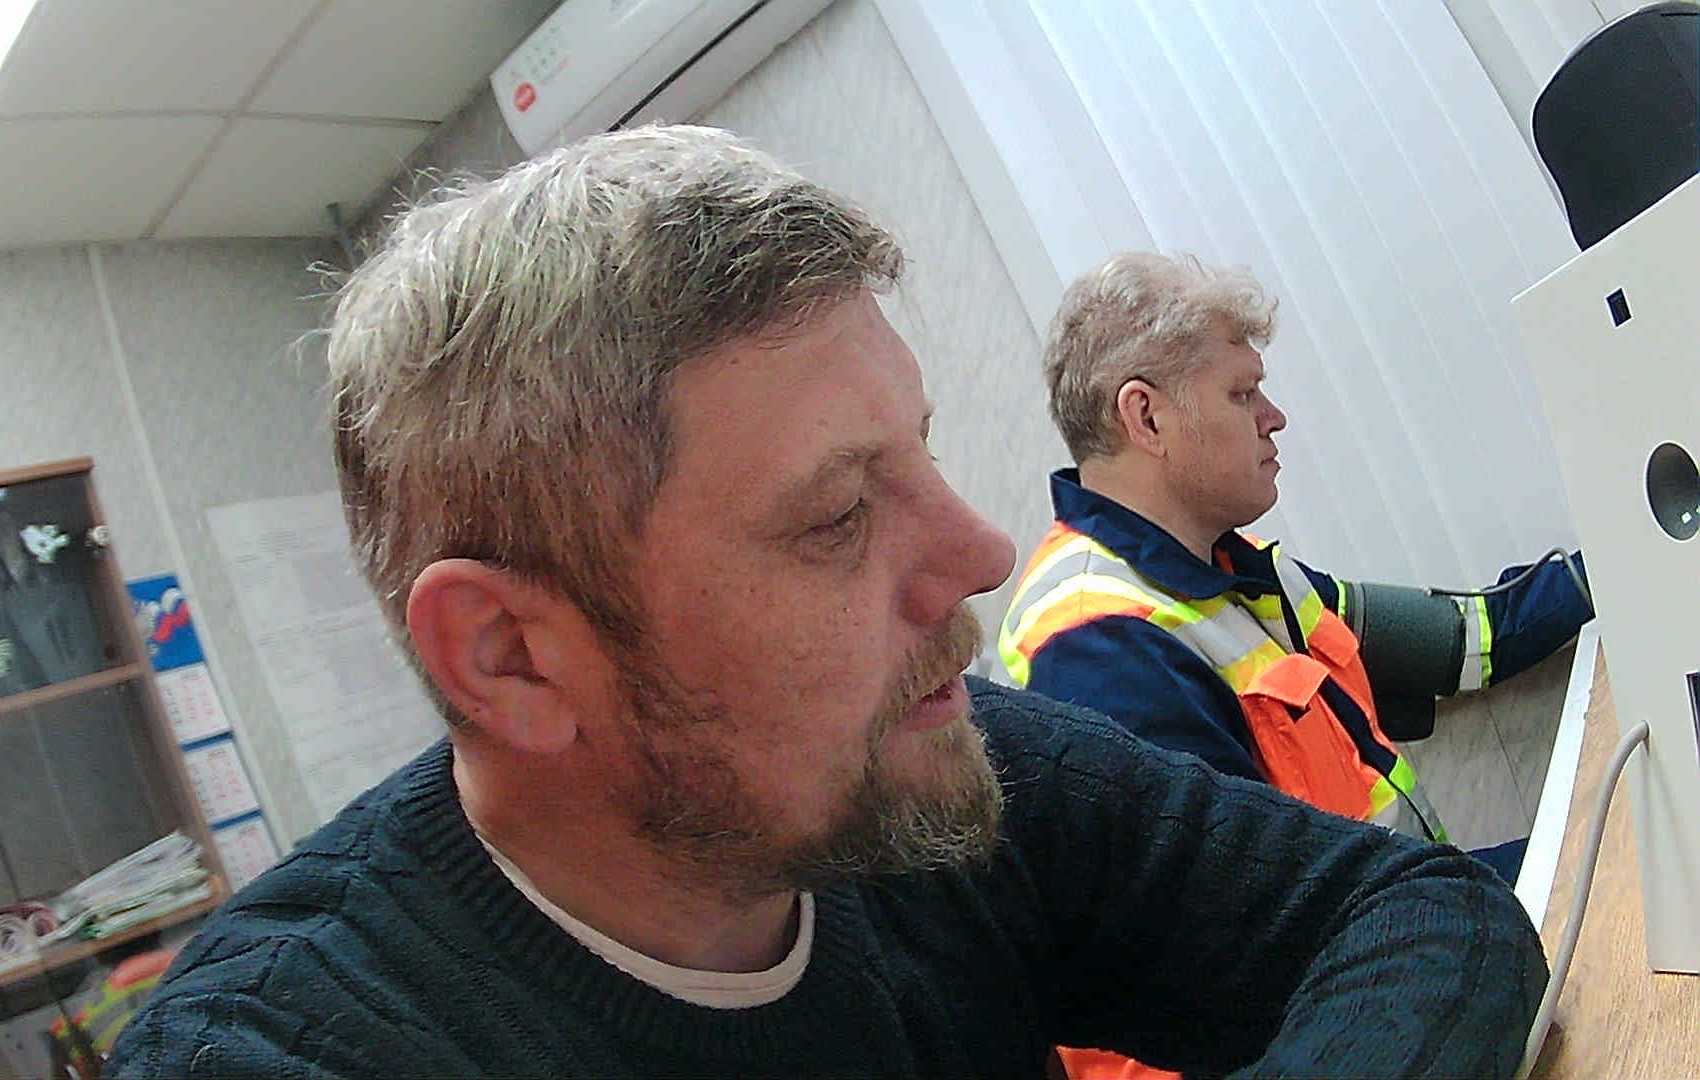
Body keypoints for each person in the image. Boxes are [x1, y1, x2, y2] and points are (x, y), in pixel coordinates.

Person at [106, 128, 1545, 1079]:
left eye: (922, 449)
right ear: (512, 658)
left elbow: (1420, 915)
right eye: (839, 516)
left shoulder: (940, 763)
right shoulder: (283, 1056)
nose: (980, 553)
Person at [996, 250, 1589, 1079]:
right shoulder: (1100, 649)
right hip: (1343, 1011)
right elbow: (1247, 981)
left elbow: (1464, 636)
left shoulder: (1228, 566)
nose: (1274, 418)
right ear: (1147, 418)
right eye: (1243, 394)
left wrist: (1621, 547)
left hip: (1395, 937)